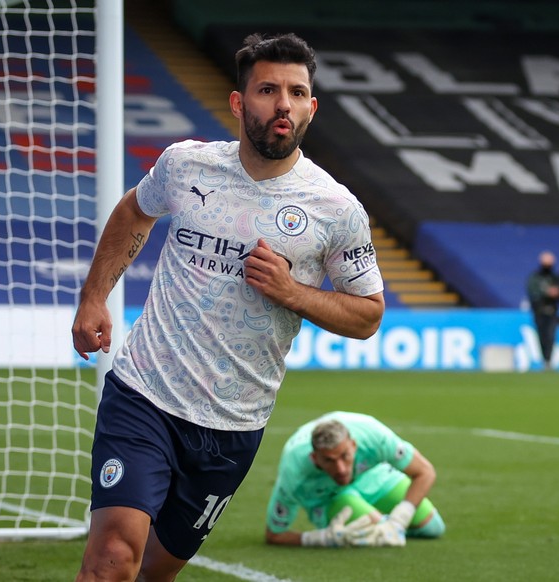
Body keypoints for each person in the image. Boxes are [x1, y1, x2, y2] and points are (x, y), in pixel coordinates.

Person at [71, 33, 385, 581]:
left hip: (232, 426)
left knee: (156, 571)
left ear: (312, 106)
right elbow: (133, 213)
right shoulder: (185, 165)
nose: (282, 103)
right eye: (267, 89)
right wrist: (95, 295)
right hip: (145, 393)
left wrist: (293, 293)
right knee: (113, 558)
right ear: (240, 103)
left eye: (296, 91)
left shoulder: (337, 209)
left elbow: (368, 315)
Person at [265, 411, 445, 548]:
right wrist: (320, 538)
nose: (341, 469)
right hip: (328, 497)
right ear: (315, 458)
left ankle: (387, 521)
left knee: (433, 527)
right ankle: (378, 520)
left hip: (373, 476)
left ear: (354, 445)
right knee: (377, 531)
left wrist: (399, 520)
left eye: (345, 456)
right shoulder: (294, 469)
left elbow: (425, 472)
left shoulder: (374, 436)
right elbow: (274, 535)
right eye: (329, 460)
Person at [525, 251, 559, 369]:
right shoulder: (536, 277)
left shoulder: (555, 278)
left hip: (552, 310)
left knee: (551, 335)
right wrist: (547, 293)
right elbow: (532, 291)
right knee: (542, 336)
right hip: (539, 311)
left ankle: (548, 360)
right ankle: (545, 359)